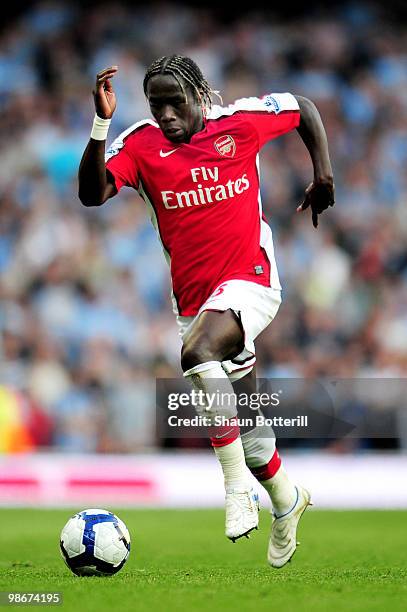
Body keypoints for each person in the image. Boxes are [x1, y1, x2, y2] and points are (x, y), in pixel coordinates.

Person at [78, 55, 335, 568]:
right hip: (194, 303)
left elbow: (303, 107)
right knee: (258, 443)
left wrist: (323, 174)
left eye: (177, 103)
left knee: (194, 353)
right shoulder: (139, 144)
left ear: (200, 95)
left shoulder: (238, 124)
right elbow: (91, 194)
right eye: (157, 106)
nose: (168, 115)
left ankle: (234, 487)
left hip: (253, 283)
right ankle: (288, 502)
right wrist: (102, 123)